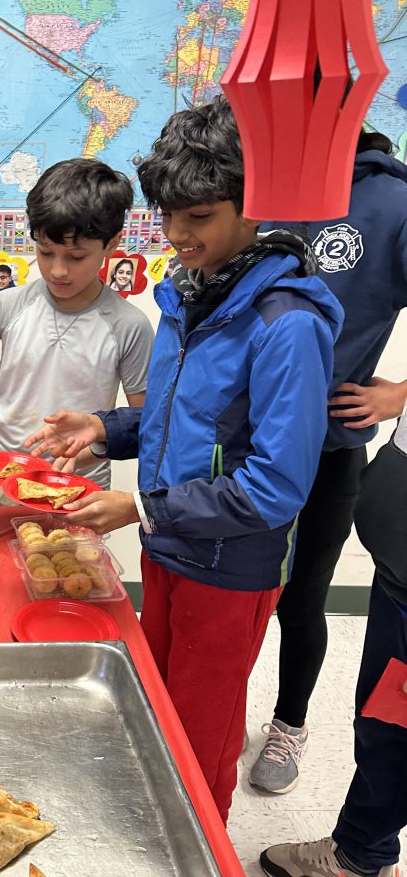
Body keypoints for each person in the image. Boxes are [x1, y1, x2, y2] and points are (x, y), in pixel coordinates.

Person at [25, 97, 343, 822]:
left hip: (229, 571)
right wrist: (103, 428)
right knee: (160, 708)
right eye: (167, 215)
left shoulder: (285, 323)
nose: (175, 236)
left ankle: (197, 845)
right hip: (168, 548)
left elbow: (275, 485)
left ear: (253, 205)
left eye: (197, 218)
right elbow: (186, 423)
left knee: (201, 742)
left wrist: (138, 504)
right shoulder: (191, 296)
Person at [249, 129, 407, 794]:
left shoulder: (392, 203)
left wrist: (397, 392)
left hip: (329, 450)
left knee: (302, 596)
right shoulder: (263, 186)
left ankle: (290, 723)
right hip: (247, 441)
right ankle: (221, 710)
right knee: (238, 592)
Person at [0, 157, 154, 494]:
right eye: (45, 251)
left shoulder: (129, 326)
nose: (57, 270)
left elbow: (146, 421)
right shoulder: (9, 305)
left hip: (75, 488)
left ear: (112, 243)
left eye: (76, 257)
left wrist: (88, 453)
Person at [260, 411, 407, 877]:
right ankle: (363, 849)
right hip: (398, 569)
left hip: (339, 470)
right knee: (382, 719)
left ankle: (359, 857)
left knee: (393, 724)